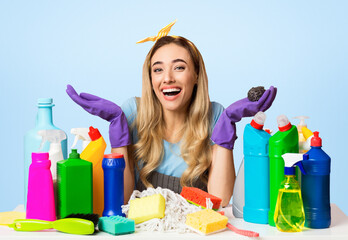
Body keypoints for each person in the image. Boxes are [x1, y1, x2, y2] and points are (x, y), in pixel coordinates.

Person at [66, 22, 276, 207]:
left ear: (195, 75)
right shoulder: (132, 112)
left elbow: (219, 199)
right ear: (150, 78)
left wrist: (227, 126)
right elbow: (121, 199)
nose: (167, 78)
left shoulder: (215, 115)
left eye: (179, 67)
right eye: (158, 70)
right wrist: (117, 131)